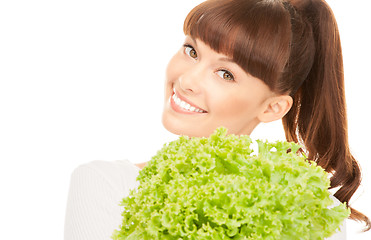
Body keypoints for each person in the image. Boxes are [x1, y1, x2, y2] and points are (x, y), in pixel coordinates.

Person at [64, 0, 370, 239]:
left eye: (226, 74)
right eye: (192, 51)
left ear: (273, 108)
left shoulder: (311, 210)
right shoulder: (105, 184)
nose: (186, 81)